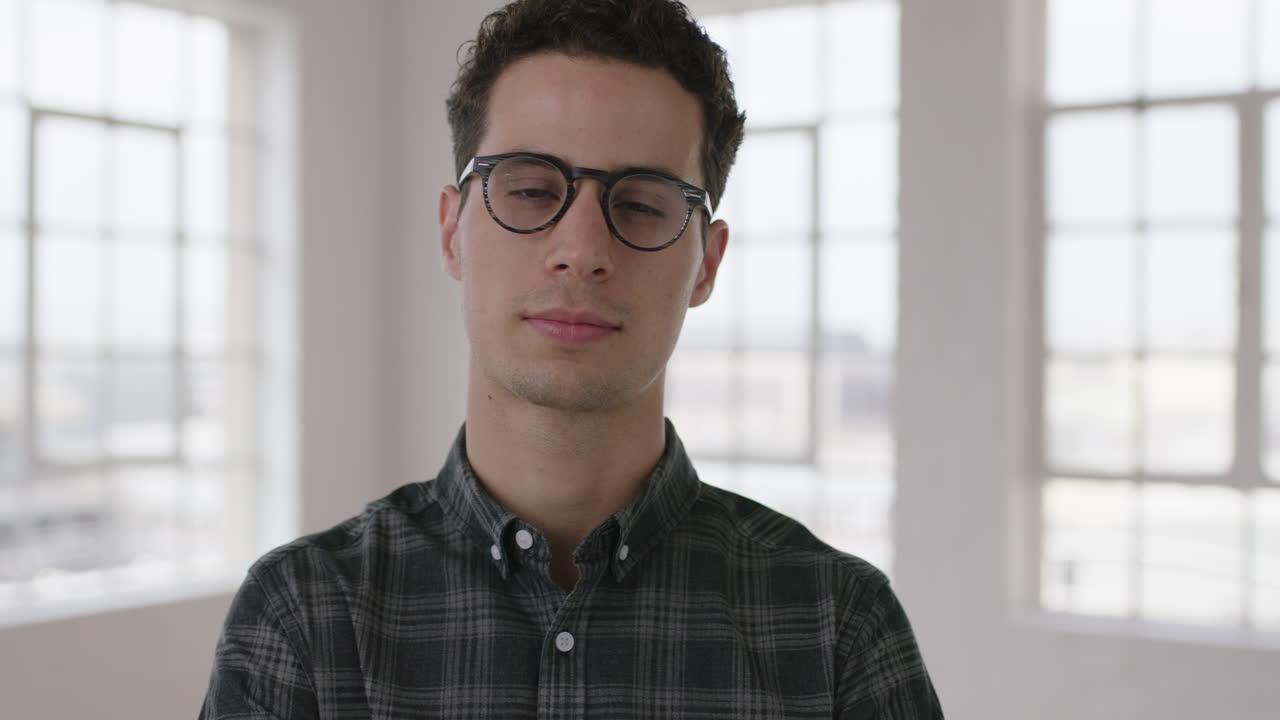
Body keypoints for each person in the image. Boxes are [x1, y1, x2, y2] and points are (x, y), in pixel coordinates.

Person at [199, 0, 944, 717]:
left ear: (707, 265)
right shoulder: (304, 615)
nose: (582, 252)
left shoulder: (837, 626)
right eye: (529, 190)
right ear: (453, 231)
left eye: (643, 204)